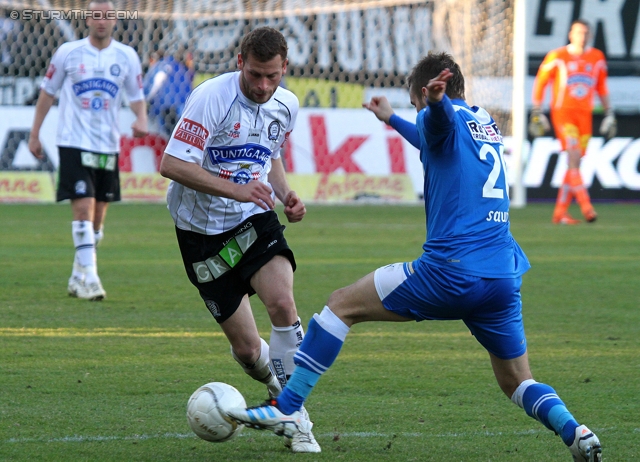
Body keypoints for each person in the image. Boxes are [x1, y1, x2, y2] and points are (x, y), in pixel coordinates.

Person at [228, 52, 603, 462]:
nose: (417, 113)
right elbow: (435, 137)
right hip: (502, 276)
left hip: (449, 271)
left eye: (414, 104)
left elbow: (436, 124)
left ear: (425, 95)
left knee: (339, 307)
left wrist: (435, 105)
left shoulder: (437, 114)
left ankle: (286, 409)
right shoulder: (485, 123)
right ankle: (576, 432)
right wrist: (391, 118)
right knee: (517, 381)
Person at [158, 27, 320, 453]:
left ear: (284, 68)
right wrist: (236, 188)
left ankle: (294, 413)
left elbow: (271, 155)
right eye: (255, 76)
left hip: (253, 220)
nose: (264, 86)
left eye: (272, 76)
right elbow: (171, 164)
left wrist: (285, 195)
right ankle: (272, 386)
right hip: (201, 235)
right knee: (248, 351)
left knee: (284, 303)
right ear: (239, 63)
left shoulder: (287, 104)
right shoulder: (211, 97)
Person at [28, 0, 148, 300]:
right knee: (82, 208)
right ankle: (92, 279)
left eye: (107, 16)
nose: (101, 21)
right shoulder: (68, 52)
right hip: (73, 142)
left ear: (115, 21)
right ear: (87, 20)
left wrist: (142, 117)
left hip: (107, 144)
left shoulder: (127, 56)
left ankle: (76, 276)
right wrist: (34, 134)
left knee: (96, 224)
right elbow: (47, 93)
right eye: (96, 16)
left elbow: (136, 96)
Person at [529, 19, 616, 225]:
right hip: (563, 113)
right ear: (570, 34)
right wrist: (537, 111)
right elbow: (541, 81)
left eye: (586, 33)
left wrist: (609, 113)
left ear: (591, 35)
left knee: (574, 163)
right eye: (578, 32)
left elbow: (602, 87)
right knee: (574, 155)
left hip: (585, 116)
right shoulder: (558, 56)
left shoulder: (597, 57)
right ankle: (587, 207)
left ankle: (560, 213)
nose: (582, 36)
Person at [144, 47, 194, 138]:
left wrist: (147, 100)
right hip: (182, 108)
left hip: (165, 107)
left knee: (168, 138)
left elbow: (156, 83)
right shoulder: (179, 66)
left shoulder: (159, 66)